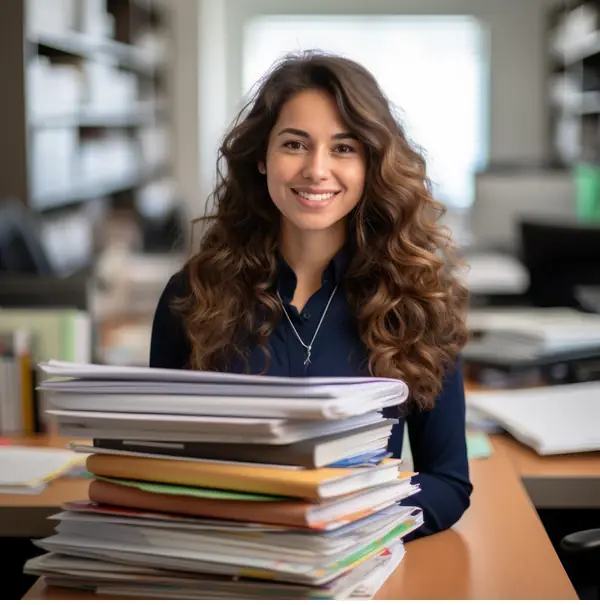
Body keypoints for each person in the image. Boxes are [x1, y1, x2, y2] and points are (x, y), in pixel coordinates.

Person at [149, 50, 472, 539]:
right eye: (295, 144)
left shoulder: (418, 302)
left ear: (371, 163)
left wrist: (343, 519)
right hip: (224, 568)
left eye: (344, 148)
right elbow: (156, 463)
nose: (317, 169)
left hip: (357, 568)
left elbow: (448, 482)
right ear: (262, 157)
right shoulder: (192, 296)